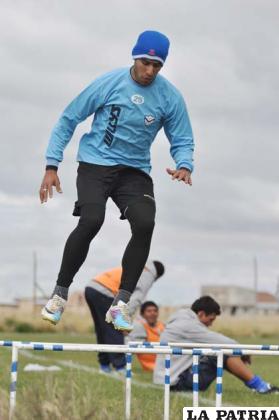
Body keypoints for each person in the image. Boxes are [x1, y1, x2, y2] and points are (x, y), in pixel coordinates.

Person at [39, 29, 194, 331]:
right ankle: (59, 294)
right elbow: (69, 118)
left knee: (146, 223)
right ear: (135, 57)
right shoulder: (109, 83)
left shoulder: (169, 97)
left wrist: (185, 163)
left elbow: (183, 138)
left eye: (157, 66)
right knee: (92, 219)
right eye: (145, 62)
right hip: (95, 164)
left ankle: (121, 304)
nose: (150, 71)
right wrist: (51, 164)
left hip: (134, 172)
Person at [153, 296, 279, 394]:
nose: (211, 324)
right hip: (176, 383)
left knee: (218, 352)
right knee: (222, 353)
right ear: (201, 314)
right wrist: (244, 352)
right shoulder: (188, 326)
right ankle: (260, 387)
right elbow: (224, 343)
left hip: (167, 380)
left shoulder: (182, 320)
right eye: (211, 319)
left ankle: (259, 385)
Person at [85, 261, 164, 373]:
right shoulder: (148, 275)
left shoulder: (138, 266)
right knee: (114, 329)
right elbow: (136, 299)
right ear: (157, 275)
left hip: (91, 287)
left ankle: (104, 365)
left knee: (102, 330)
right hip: (105, 291)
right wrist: (124, 320)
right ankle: (120, 367)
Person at [128, 301, 165, 371]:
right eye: (149, 311)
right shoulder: (139, 327)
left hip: (166, 360)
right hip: (151, 366)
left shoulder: (162, 326)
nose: (152, 313)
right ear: (142, 314)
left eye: (155, 311)